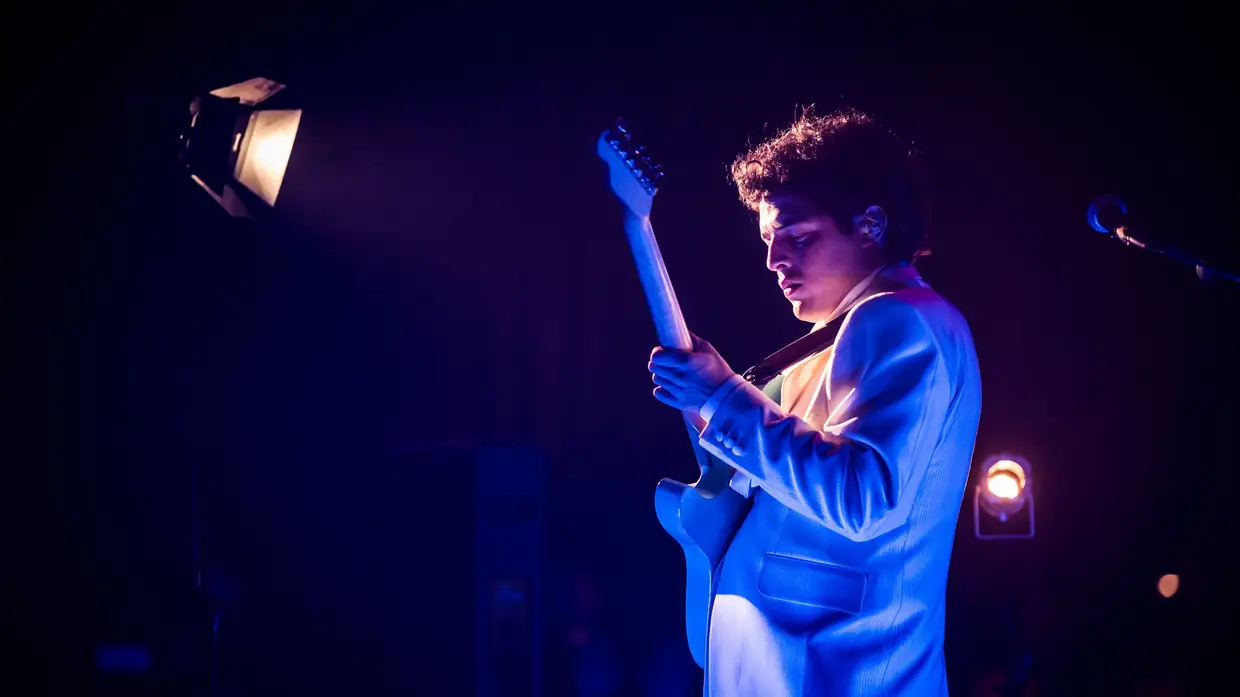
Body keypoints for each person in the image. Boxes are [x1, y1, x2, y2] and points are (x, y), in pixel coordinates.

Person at [647, 107, 982, 696]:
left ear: (870, 224)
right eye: (769, 240)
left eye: (797, 237)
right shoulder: (843, 337)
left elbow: (862, 498)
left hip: (837, 671)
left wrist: (724, 397)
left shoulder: (898, 321)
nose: (775, 260)